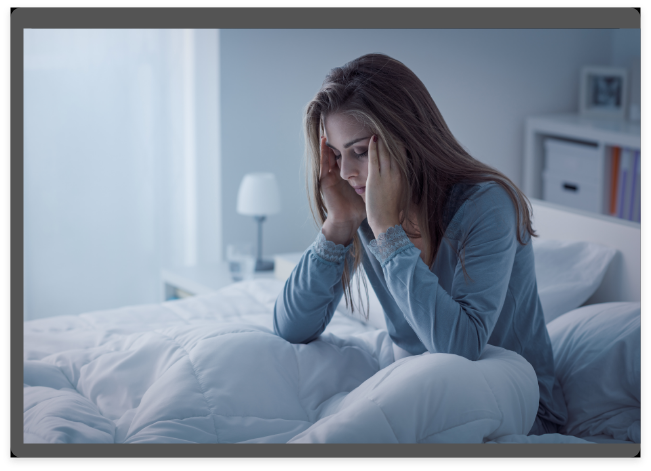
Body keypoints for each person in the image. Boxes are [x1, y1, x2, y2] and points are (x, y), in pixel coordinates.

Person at [273, 53, 567, 436]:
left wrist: (387, 230)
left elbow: (460, 349)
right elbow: (291, 328)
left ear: (407, 138)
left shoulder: (487, 205)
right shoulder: (361, 206)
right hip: (421, 391)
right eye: (337, 155)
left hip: (520, 405)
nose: (346, 173)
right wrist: (339, 222)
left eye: (360, 152)